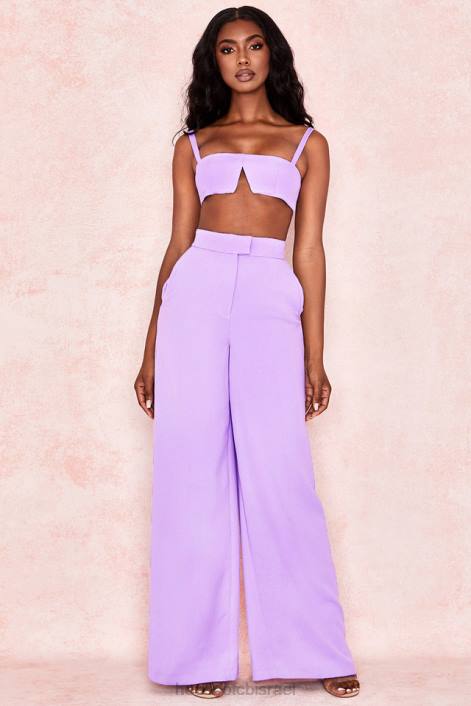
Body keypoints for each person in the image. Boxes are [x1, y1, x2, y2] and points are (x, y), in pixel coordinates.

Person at [134, 5, 360, 700]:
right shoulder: (193, 143)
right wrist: (150, 349)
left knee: (280, 474)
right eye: (228, 48)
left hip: (268, 294)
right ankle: (195, 660)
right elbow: (178, 245)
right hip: (196, 293)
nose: (242, 59)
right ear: (214, 61)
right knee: (190, 475)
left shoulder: (306, 143)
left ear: (272, 56)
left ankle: (315, 648)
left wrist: (313, 355)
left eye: (254, 46)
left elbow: (309, 250)